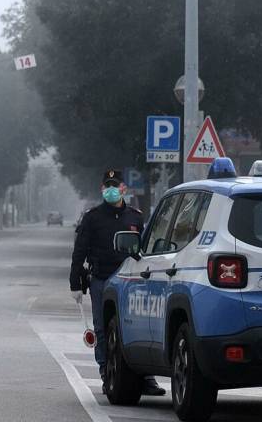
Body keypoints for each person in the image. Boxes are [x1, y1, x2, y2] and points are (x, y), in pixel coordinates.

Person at [69, 169, 165, 396]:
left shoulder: (135, 216)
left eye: (116, 185)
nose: (111, 189)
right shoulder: (92, 218)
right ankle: (107, 371)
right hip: (102, 279)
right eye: (107, 185)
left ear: (124, 188)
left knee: (134, 327)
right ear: (103, 189)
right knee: (103, 329)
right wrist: (75, 283)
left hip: (131, 281)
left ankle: (146, 378)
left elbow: (147, 249)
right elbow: (79, 251)